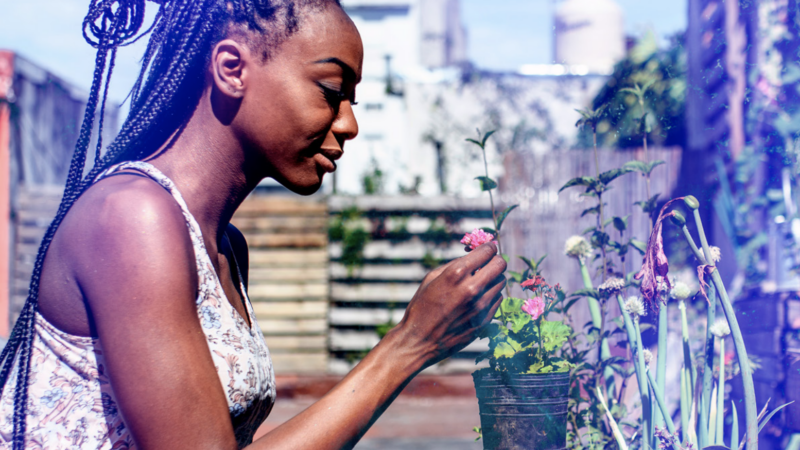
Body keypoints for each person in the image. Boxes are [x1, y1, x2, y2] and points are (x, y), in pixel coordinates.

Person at [0, 0, 507, 449]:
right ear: (231, 68)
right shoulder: (132, 219)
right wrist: (409, 344)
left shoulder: (223, 246)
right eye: (332, 90)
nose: (350, 123)